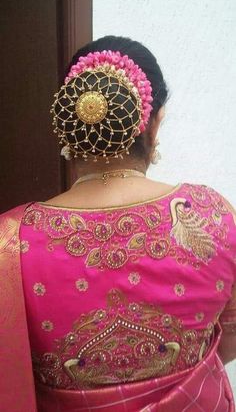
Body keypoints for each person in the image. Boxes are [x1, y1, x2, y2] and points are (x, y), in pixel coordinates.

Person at [0, 35, 235, 412]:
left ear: (69, 127)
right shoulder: (213, 214)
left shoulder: (11, 241)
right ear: (154, 125)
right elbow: (231, 333)